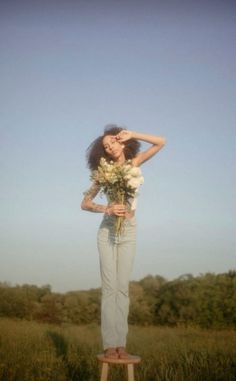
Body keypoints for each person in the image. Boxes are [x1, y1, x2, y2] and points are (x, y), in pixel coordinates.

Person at [81, 124, 166, 359]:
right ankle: (110, 345)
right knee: (110, 289)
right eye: (106, 147)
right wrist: (106, 208)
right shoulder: (103, 172)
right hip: (108, 230)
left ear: (122, 143)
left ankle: (121, 346)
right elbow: (85, 203)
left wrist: (134, 133)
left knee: (122, 289)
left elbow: (161, 141)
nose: (110, 148)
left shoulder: (133, 165)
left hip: (129, 229)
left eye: (113, 143)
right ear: (103, 152)